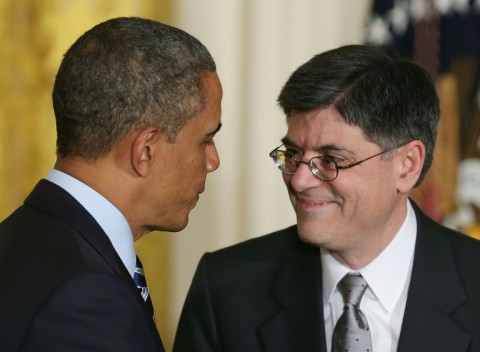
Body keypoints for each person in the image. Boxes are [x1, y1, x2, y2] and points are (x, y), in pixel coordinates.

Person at [173, 45, 480, 352]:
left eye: (331, 159)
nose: (301, 180)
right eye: (293, 154)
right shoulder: (226, 289)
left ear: (407, 165)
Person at [0, 17, 222, 352]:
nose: (212, 161)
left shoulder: (18, 239)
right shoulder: (85, 297)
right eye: (205, 140)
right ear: (145, 150)